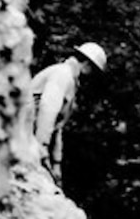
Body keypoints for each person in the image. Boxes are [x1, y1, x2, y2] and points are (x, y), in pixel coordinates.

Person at [30, 42, 106, 186]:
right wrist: (42, 147)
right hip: (22, 136)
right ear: (87, 65)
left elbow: (58, 127)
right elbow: (48, 109)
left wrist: (56, 163)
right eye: (93, 71)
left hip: (33, 140)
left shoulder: (70, 81)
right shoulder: (62, 74)